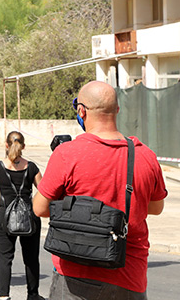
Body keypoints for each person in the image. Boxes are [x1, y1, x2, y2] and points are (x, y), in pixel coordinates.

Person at [33, 81, 167, 299]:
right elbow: (155, 207)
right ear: (117, 110)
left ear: (81, 111)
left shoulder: (67, 154)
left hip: (76, 274)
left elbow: (40, 208)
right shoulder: (145, 156)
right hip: (129, 277)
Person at [0, 131, 43, 300]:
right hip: (29, 217)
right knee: (31, 258)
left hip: (5, 217)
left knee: (4, 257)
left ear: (6, 145)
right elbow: (44, 189)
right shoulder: (31, 167)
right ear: (23, 146)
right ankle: (32, 295)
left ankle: (3, 296)